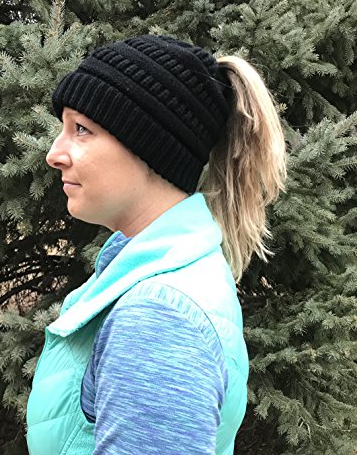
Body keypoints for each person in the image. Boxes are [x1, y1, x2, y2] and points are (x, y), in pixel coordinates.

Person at [25, 35, 286, 454]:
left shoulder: (159, 316)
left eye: (81, 129)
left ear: (149, 147)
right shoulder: (161, 273)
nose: (54, 153)